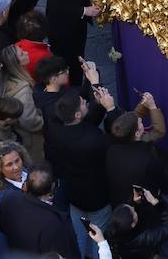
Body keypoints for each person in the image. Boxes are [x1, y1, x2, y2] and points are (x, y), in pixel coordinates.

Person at [48, 86, 118, 255]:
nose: (86, 102)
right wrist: (111, 110)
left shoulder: (57, 131)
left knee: (79, 235)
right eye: (83, 103)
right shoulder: (93, 140)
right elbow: (116, 137)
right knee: (98, 238)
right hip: (96, 199)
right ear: (77, 115)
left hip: (73, 194)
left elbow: (86, 123)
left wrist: (99, 104)